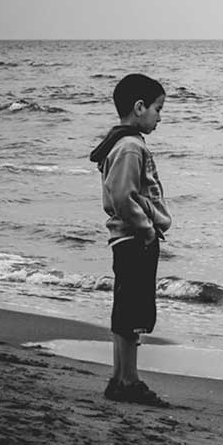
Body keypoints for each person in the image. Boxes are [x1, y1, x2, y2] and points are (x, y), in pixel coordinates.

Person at [89, 73, 171, 406]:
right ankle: (129, 380)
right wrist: (147, 228)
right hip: (134, 237)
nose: (160, 116)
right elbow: (124, 196)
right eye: (157, 108)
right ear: (139, 108)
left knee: (126, 311)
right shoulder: (130, 147)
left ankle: (120, 378)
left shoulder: (124, 143)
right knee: (132, 313)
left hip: (128, 237)